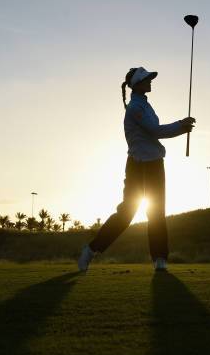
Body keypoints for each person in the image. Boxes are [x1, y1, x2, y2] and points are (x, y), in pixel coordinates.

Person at [78, 67, 195, 272]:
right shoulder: (136, 108)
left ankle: (160, 260)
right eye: (147, 79)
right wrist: (181, 126)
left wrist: (181, 127)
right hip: (139, 165)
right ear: (137, 84)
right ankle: (91, 249)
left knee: (157, 212)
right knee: (127, 213)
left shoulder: (145, 105)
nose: (151, 81)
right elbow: (156, 131)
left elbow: (155, 132)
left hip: (154, 162)